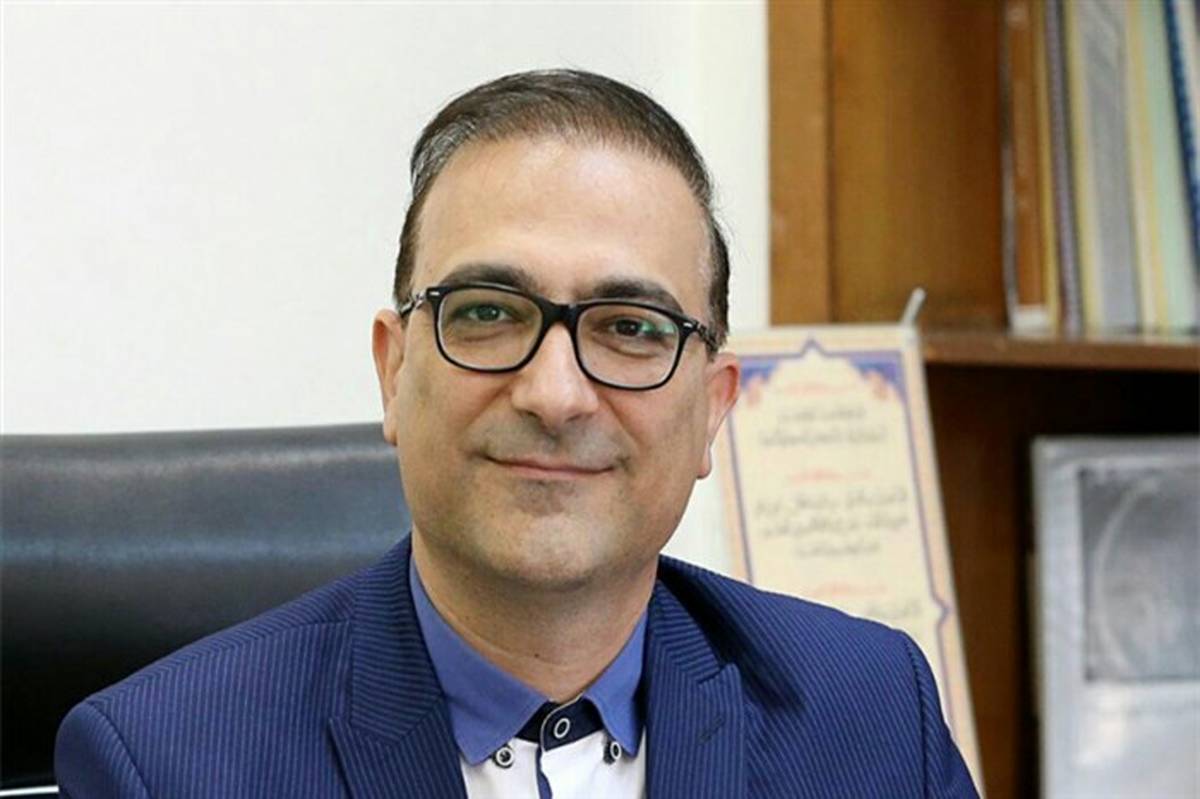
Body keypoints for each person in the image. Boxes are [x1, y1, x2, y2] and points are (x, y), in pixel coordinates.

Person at [55, 69, 978, 798]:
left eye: (630, 327)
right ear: (393, 369)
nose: (555, 394)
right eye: (489, 312)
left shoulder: (871, 717)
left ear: (713, 407)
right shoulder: (163, 764)